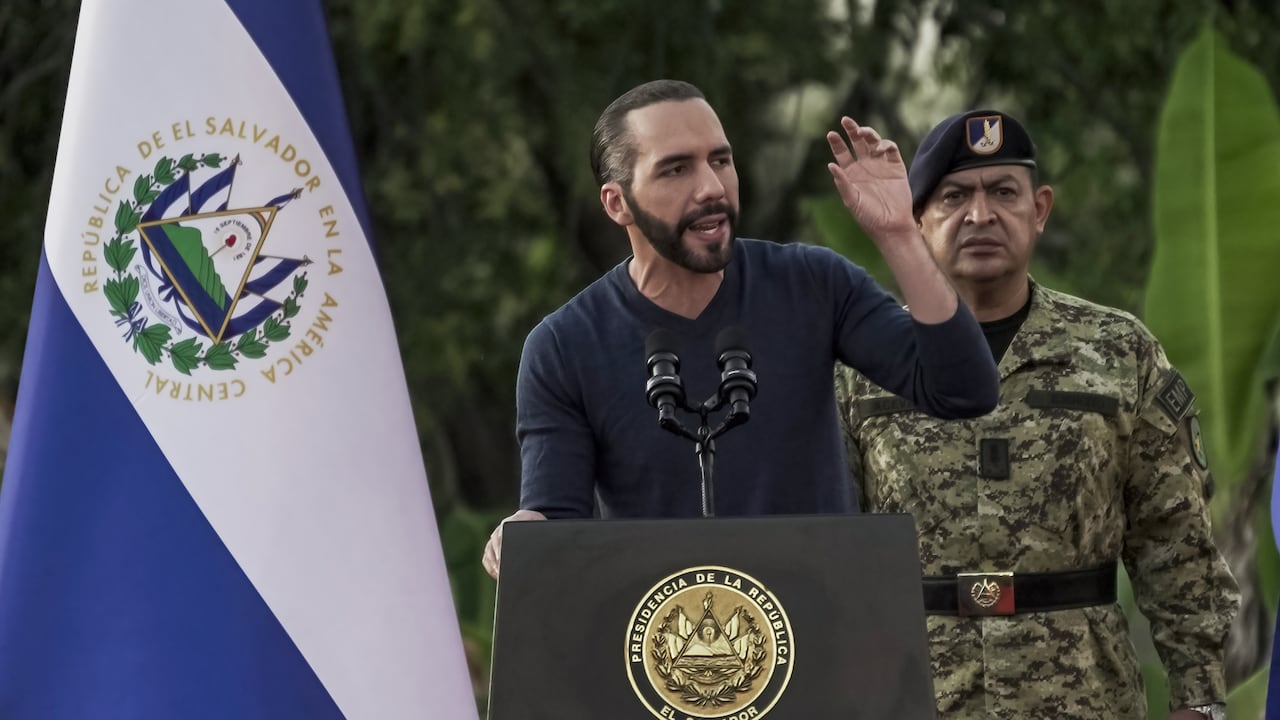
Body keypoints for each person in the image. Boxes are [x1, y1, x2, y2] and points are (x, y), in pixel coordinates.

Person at [481, 79, 1000, 578]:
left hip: (821, 633)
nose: (711, 187)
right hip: (671, 650)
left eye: (720, 160)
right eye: (675, 169)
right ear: (618, 203)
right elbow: (556, 523)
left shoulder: (813, 283)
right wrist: (525, 534)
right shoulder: (563, 347)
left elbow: (962, 389)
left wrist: (900, 236)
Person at [836, 109, 1239, 719]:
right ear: (916, 219)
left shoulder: (1117, 350)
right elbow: (828, 547)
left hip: (1082, 693)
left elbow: (1175, 539)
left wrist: (1201, 700)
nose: (980, 215)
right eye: (953, 197)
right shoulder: (867, 359)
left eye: (1003, 192)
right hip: (915, 694)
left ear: (1040, 210)